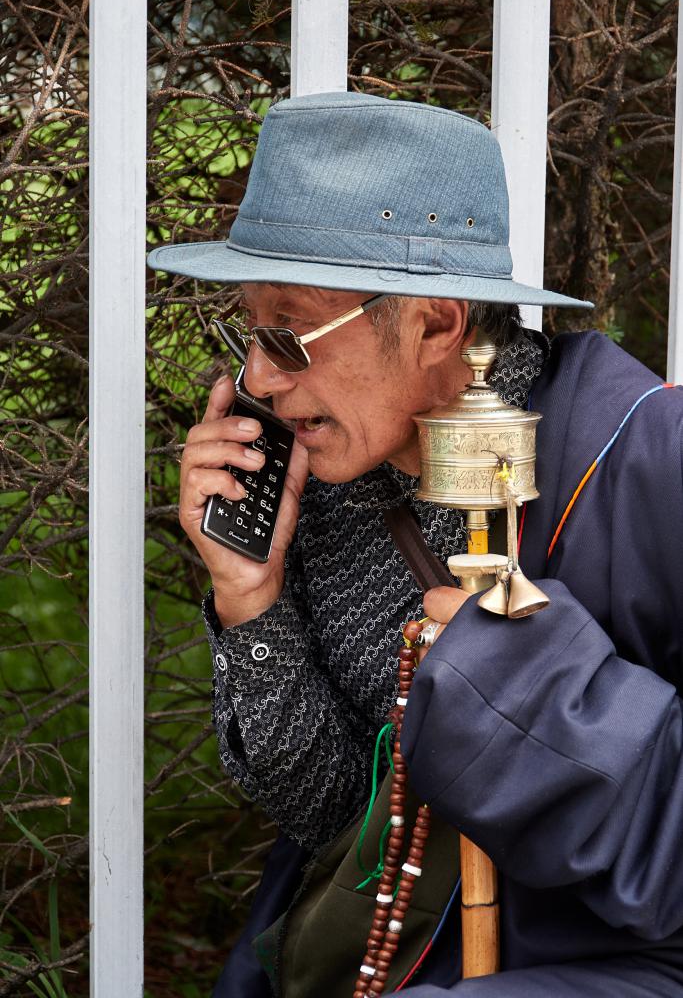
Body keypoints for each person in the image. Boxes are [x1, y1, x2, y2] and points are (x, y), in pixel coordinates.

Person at [148, 93, 683, 997]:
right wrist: (250, 596)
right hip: (402, 955)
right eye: (248, 331)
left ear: (436, 322)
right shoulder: (329, 479)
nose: (258, 380)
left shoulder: (641, 459)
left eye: (288, 335)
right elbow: (339, 821)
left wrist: (516, 688)